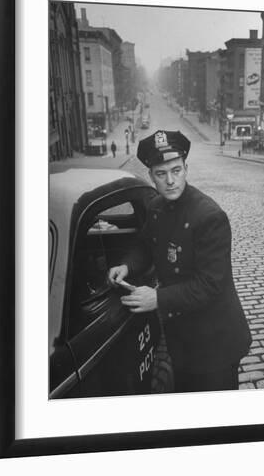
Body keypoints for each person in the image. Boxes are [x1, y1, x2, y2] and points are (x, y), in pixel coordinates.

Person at [108, 130, 251, 393]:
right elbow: (144, 245)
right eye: (161, 174)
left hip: (214, 343)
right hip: (181, 338)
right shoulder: (155, 208)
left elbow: (210, 285)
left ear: (186, 168)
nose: (170, 181)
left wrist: (157, 299)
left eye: (176, 170)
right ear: (151, 176)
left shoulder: (209, 216)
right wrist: (127, 265)